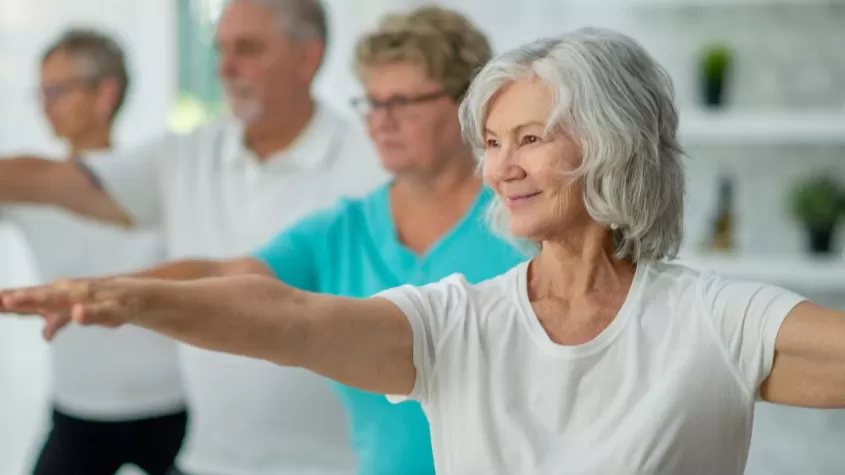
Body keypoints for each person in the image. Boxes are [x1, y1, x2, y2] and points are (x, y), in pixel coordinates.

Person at [11, 27, 845, 475]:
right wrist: (129, 296)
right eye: (491, 142)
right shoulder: (457, 319)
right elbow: (289, 317)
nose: (502, 167)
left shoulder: (711, 317)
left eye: (528, 138)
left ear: (614, 144)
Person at [8, 7, 525, 474]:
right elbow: (231, 276)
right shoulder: (343, 227)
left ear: (467, 106)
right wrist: (118, 293)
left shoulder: (522, 221)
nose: (382, 122)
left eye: (403, 102)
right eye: (373, 103)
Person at [0, 29, 186, 475]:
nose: (47, 104)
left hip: (170, 408)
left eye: (58, 90)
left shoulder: (161, 178)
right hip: (78, 411)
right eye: (42, 92)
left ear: (106, 93)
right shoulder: (30, 186)